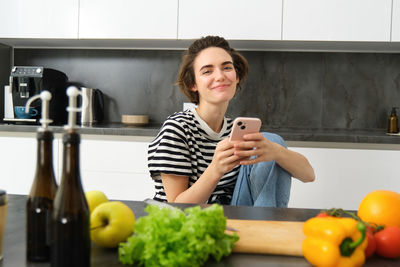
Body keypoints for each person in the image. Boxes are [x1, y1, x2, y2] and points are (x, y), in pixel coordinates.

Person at [148, 36, 315, 207]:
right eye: (207, 71)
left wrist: (275, 152)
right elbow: (176, 206)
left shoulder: (236, 130)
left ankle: (265, 224)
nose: (220, 76)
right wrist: (216, 169)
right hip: (188, 221)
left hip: (231, 216)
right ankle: (265, 227)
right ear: (193, 84)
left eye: (227, 67)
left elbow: (309, 175)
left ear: (236, 76)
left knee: (272, 141)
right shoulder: (177, 128)